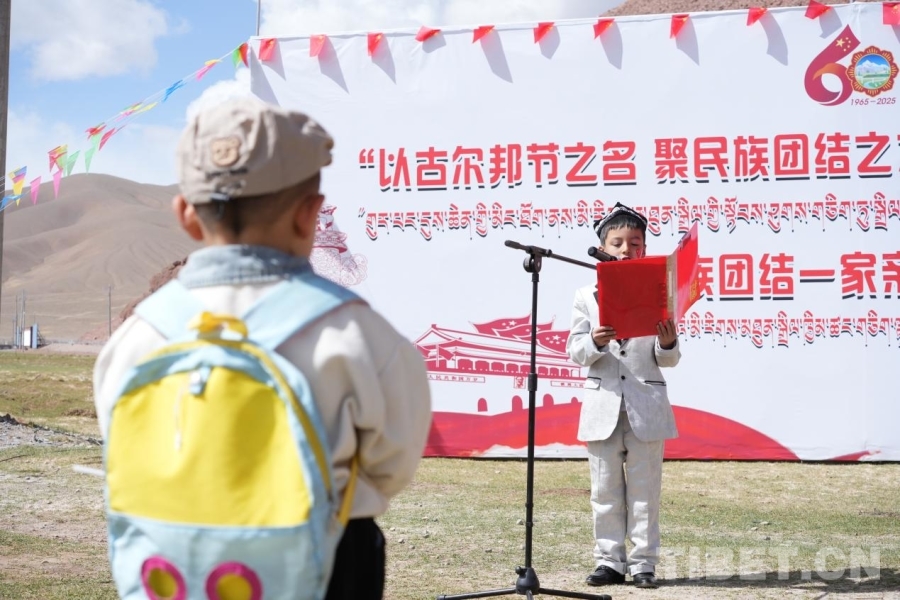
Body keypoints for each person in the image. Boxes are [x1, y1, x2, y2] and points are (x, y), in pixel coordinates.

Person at [92, 96, 433, 600]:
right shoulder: (357, 333)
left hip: (172, 571)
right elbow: (392, 465)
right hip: (326, 564)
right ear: (310, 214)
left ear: (186, 215)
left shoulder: (137, 335)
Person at [565, 202, 680, 590]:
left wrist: (668, 343)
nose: (626, 250)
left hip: (646, 405)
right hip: (603, 405)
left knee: (645, 492)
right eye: (617, 243)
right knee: (605, 491)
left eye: (634, 243)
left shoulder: (660, 292)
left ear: (644, 250)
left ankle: (644, 562)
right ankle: (609, 561)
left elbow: (669, 359)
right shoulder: (586, 295)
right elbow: (575, 350)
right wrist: (595, 342)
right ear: (602, 248)